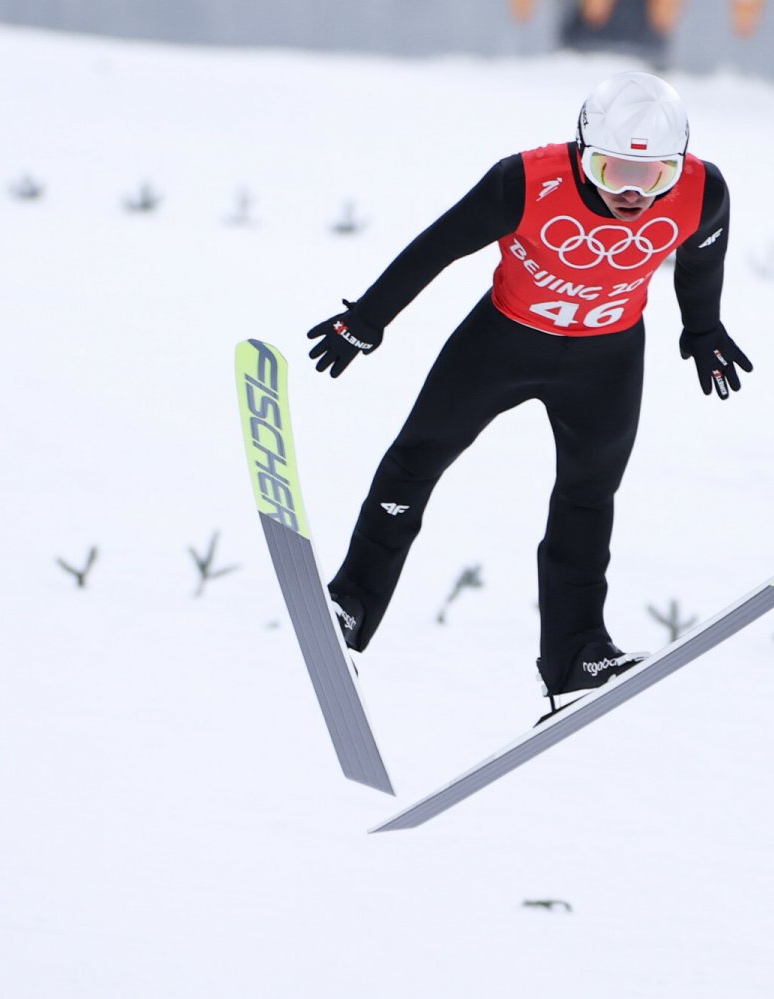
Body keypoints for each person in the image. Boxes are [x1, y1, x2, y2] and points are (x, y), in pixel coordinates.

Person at [305, 71, 750, 712]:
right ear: (580, 151)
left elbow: (703, 260)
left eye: (651, 175)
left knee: (587, 500)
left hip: (608, 359)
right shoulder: (526, 180)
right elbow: (438, 246)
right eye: (610, 168)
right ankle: (348, 606)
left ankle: (577, 659)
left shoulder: (704, 193)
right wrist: (368, 319)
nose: (630, 192)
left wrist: (703, 328)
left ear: (676, 167)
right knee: (414, 462)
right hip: (503, 342)